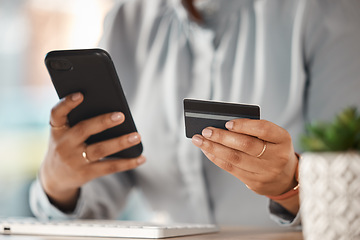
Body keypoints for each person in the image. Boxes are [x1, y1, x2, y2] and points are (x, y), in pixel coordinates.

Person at [30, 0, 360, 226]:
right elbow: (104, 183)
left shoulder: (325, 12)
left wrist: (290, 185)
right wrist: (58, 185)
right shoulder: (128, 20)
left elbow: (350, 193)